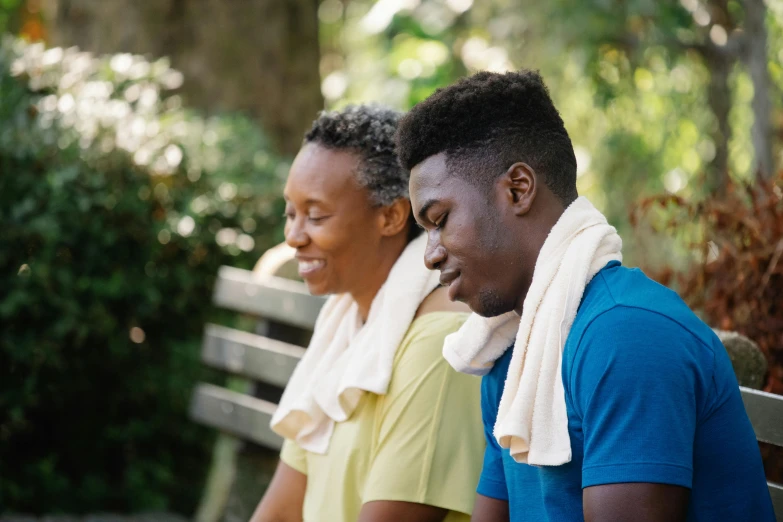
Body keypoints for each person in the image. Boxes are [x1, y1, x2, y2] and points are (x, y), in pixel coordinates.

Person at [396, 70, 775, 522]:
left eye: (440, 220)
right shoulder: (507, 351)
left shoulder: (628, 334)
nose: (430, 255)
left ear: (518, 189)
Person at [250, 105, 484, 522]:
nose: (294, 236)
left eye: (316, 215)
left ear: (392, 216)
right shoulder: (343, 324)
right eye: (290, 213)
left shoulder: (441, 344)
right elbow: (281, 509)